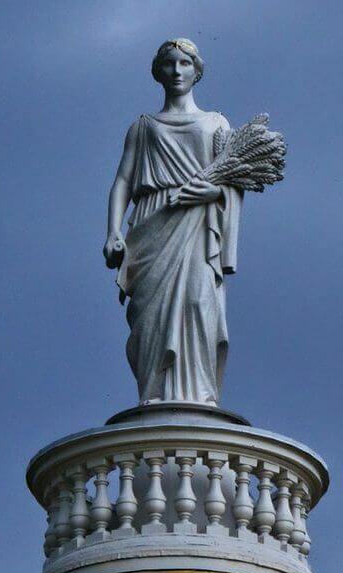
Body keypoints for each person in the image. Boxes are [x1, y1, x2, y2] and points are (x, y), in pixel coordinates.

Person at [103, 38, 242, 405]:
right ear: (157, 73)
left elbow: (233, 182)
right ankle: (155, 394)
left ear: (197, 72)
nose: (177, 71)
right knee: (151, 316)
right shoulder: (143, 127)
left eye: (184, 64)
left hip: (196, 222)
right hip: (152, 221)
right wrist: (113, 231)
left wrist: (214, 194)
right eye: (169, 64)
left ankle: (198, 396)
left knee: (199, 303)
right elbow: (122, 181)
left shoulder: (216, 123)